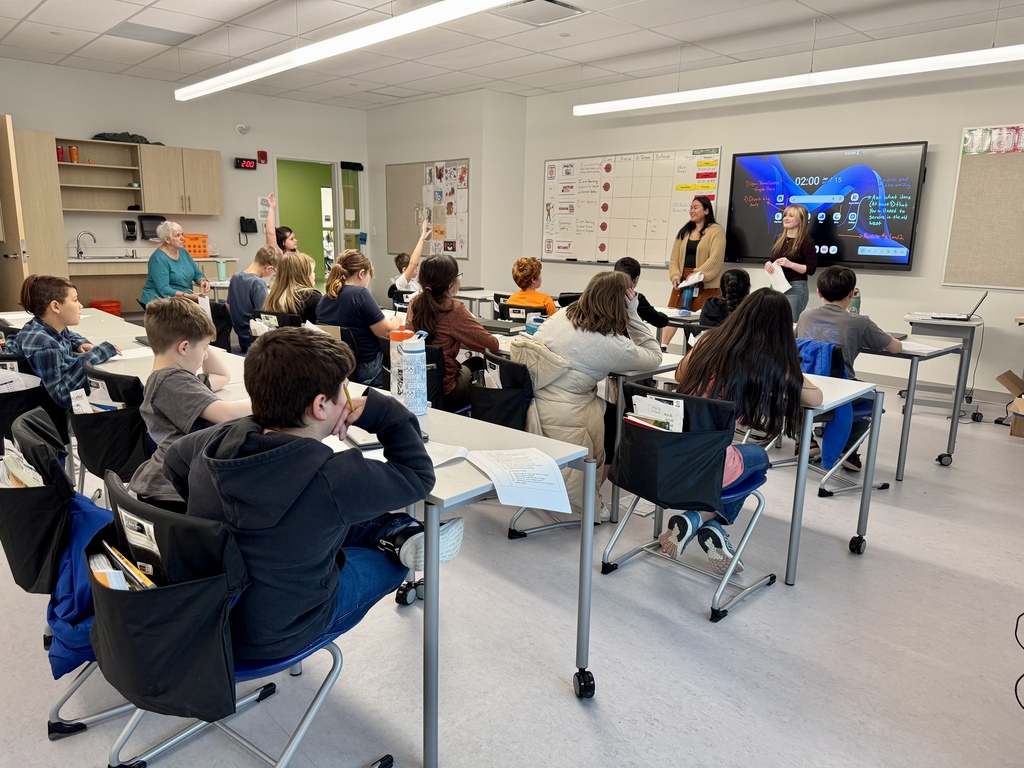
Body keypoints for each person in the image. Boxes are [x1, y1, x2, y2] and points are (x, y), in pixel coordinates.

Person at [164, 327, 464, 660]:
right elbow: (419, 477)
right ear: (320, 405)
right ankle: (396, 537)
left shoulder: (219, 439)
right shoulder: (333, 479)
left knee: (318, 518)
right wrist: (384, 412)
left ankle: (393, 531)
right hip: (280, 634)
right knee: (391, 562)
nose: (349, 398)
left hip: (210, 616)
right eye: (345, 390)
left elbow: (174, 461)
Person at [663, 288, 822, 573]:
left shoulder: (709, 340)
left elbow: (679, 375)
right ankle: (702, 518)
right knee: (757, 458)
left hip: (667, 453)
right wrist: (792, 371)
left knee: (733, 456)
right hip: (709, 463)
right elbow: (815, 399)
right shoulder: (772, 362)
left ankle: (700, 523)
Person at [511, 271, 662, 520]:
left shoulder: (564, 314)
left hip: (538, 403)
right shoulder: (608, 343)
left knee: (612, 417)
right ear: (622, 301)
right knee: (621, 424)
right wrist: (633, 314)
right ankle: (592, 498)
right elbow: (654, 357)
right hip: (568, 410)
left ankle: (587, 490)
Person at [128, 297, 252, 512]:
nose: (206, 354)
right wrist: (272, 401)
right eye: (204, 348)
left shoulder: (177, 378)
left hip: (178, 477)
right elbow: (226, 414)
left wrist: (201, 335)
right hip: (171, 490)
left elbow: (221, 375)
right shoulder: (171, 381)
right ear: (184, 347)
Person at [796, 265, 902, 471]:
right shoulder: (860, 322)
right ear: (852, 293)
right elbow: (895, 348)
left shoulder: (805, 316)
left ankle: (806, 441)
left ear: (818, 292)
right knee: (870, 397)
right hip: (839, 390)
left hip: (803, 388)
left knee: (799, 393)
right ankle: (847, 450)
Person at [6, 275, 119, 409]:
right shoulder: (45, 345)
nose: (81, 306)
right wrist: (97, 354)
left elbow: (68, 335)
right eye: (75, 300)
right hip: (44, 410)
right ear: (55, 306)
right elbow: (62, 396)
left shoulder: (42, 326)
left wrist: (79, 344)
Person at [407, 254, 499, 412]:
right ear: (451, 283)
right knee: (478, 363)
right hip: (446, 391)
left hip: (418, 387)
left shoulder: (415, 303)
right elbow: (492, 345)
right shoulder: (452, 309)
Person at [317, 249, 402, 387]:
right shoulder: (360, 294)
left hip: (339, 367)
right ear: (362, 274)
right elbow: (387, 332)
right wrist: (397, 319)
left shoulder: (325, 298)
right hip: (367, 368)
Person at [663, 195, 726, 348]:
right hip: (684, 282)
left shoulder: (716, 231)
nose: (692, 211)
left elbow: (716, 258)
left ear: (706, 210)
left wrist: (698, 274)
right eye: (691, 208)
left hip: (705, 283)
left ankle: (699, 351)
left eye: (695, 207)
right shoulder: (685, 232)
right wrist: (676, 276)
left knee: (700, 320)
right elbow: (674, 258)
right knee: (674, 314)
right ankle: (663, 347)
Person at [765, 203, 817, 320]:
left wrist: (790, 264)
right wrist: (768, 264)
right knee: (772, 322)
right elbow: (774, 260)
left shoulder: (806, 241)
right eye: (785, 215)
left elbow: (811, 269)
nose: (786, 218)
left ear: (800, 221)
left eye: (791, 216)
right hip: (776, 286)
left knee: (790, 324)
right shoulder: (778, 239)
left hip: (795, 288)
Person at [140, 221, 210, 305]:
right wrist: (187, 296)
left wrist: (202, 281)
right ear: (167, 239)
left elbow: (197, 273)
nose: (182, 238)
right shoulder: (158, 259)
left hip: (181, 300)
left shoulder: (183, 252)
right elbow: (164, 289)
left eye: (182, 234)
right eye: (177, 235)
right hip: (159, 303)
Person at [227, 245, 278, 353]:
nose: (273, 274)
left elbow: (229, 305)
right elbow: (265, 315)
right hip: (256, 342)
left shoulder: (235, 277)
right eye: (274, 272)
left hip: (241, 338)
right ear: (269, 268)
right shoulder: (258, 284)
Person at [263, 251, 321, 325]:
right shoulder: (312, 297)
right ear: (303, 275)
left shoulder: (272, 300)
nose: (314, 275)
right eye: (312, 271)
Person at [614, 256, 669, 330]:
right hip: (626, 339)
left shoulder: (600, 293)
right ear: (636, 279)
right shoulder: (634, 298)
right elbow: (660, 321)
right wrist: (664, 316)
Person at [394, 218, 431, 295]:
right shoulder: (401, 282)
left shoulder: (416, 280)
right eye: (414, 268)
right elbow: (413, 263)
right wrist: (421, 239)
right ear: (405, 270)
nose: (417, 270)